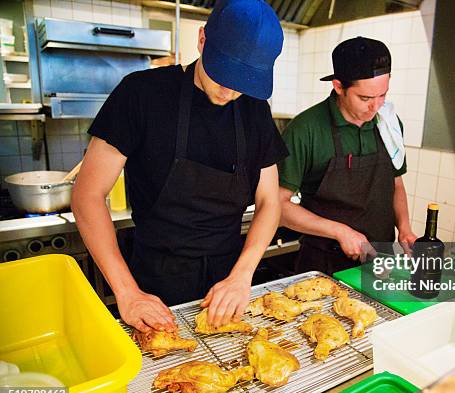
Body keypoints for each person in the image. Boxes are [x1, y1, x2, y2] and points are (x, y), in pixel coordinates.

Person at [72, 0, 288, 332]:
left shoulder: (255, 110)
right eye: (224, 74)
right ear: (202, 40)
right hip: (155, 285)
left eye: (243, 83)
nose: (230, 91)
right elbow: (87, 195)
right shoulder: (141, 94)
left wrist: (242, 275)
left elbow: (270, 202)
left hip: (231, 282)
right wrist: (128, 292)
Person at [278, 37, 417, 275]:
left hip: (380, 263)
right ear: (339, 86)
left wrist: (404, 228)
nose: (376, 107)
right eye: (365, 98)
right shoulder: (306, 129)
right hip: (323, 265)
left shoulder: (389, 124)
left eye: (382, 95)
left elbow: (395, 184)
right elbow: (277, 207)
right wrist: (340, 231)